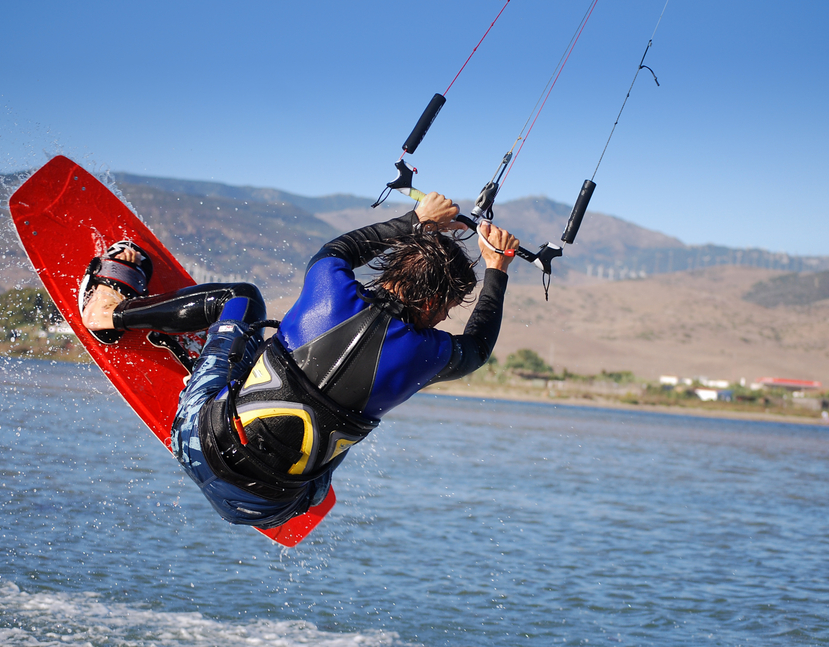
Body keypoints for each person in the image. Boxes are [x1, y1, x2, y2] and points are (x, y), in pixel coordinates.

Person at [80, 193, 518, 528]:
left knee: (242, 299)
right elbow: (477, 348)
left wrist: (415, 221)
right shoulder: (431, 355)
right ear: (437, 301)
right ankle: (131, 326)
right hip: (276, 507)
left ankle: (114, 315)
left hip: (195, 444)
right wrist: (497, 268)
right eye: (448, 308)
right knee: (339, 430)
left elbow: (341, 248)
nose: (444, 318)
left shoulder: (330, 283)